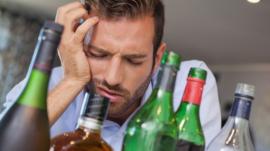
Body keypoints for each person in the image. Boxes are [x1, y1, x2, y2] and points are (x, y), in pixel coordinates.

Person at [4, 0, 221, 150]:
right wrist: (72, 82)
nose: (113, 78)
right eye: (99, 55)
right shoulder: (46, 89)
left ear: (158, 58)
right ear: (78, 46)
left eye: (133, 60)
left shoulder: (187, 83)